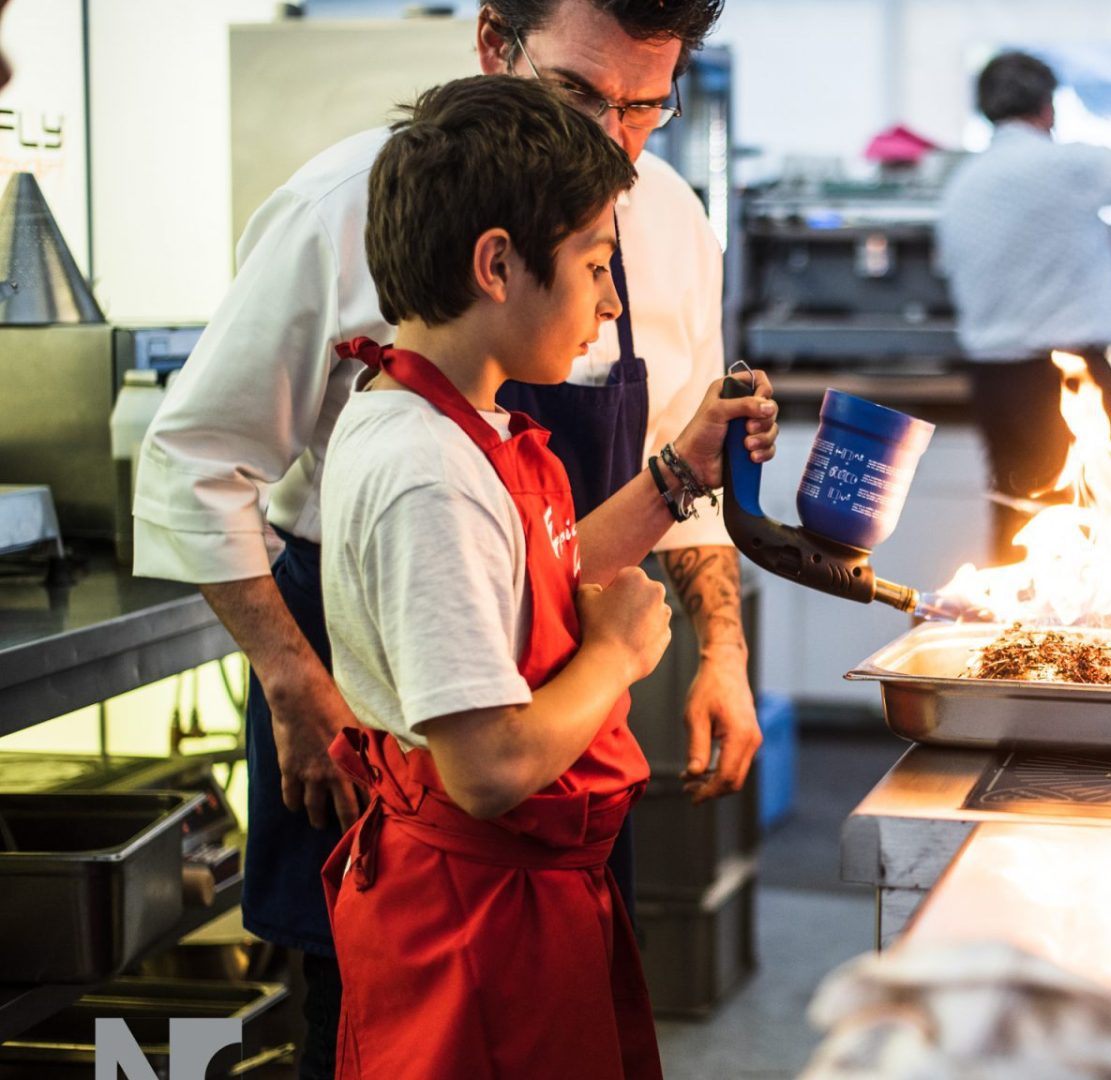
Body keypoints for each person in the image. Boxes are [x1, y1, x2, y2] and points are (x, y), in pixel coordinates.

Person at [132, 2, 750, 1075]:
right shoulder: (349, 222)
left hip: (562, 732)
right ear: (492, 45)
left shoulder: (672, 223)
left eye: (647, 108)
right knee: (385, 1019)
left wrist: (719, 646)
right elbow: (194, 459)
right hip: (399, 740)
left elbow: (562, 541)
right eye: (579, 98)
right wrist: (294, 681)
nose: (614, 144)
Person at [316, 75, 776, 1079]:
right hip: (475, 922)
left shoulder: (464, 421)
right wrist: (617, 657)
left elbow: (545, 569)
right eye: (595, 265)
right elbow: (485, 768)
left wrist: (684, 464)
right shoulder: (426, 472)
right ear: (496, 265)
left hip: (527, 901)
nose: (613, 301)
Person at [936, 51, 1111, 558]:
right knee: (1099, 528)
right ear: (1047, 107)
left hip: (991, 380)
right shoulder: (1068, 164)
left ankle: (1010, 637)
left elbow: (949, 269)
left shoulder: (963, 184)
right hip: (1065, 374)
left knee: (1017, 521)